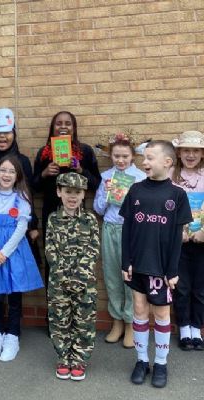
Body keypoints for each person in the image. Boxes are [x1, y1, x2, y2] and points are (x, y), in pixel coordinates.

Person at [120, 140, 192, 388]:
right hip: (138, 264)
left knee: (161, 313)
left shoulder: (177, 195)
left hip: (161, 268)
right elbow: (127, 228)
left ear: (167, 162)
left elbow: (177, 237)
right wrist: (125, 261)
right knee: (139, 310)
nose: (145, 162)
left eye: (150, 158)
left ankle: (160, 363)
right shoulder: (135, 190)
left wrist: (172, 270)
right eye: (144, 157)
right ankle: (142, 360)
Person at [0, 155, 44, 362]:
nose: (6, 175)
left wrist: (5, 252)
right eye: (3, 170)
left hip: (13, 252)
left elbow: (21, 228)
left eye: (11, 171)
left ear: (17, 176)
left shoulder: (22, 197)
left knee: (14, 295)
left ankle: (13, 336)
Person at [33, 111, 101, 283]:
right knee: (52, 261)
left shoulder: (85, 151)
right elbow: (34, 187)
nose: (63, 127)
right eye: (59, 123)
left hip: (77, 215)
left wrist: (80, 170)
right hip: (51, 214)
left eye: (68, 123)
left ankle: (77, 299)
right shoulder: (44, 153)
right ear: (52, 128)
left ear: (74, 128)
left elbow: (96, 184)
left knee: (79, 260)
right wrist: (44, 173)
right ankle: (53, 300)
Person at [93, 133, 146, 348]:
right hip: (110, 229)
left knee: (130, 276)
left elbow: (146, 209)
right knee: (112, 275)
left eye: (125, 156)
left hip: (132, 231)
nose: (121, 160)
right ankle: (117, 322)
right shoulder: (106, 176)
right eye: (117, 156)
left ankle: (131, 323)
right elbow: (98, 209)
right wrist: (106, 194)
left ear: (133, 156)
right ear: (111, 156)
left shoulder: (140, 177)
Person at [46, 172, 99, 381]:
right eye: (68, 191)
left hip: (85, 281)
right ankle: (63, 357)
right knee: (60, 320)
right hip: (59, 281)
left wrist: (79, 276)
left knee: (84, 320)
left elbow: (93, 249)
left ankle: (79, 359)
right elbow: (50, 249)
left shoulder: (90, 219)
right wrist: (63, 276)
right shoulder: (53, 218)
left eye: (77, 192)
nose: (72, 196)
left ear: (83, 194)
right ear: (59, 192)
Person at [0, 108, 40, 262]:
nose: (2, 136)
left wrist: (33, 226)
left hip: (18, 227)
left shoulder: (23, 161)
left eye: (7, 132)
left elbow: (29, 193)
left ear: (14, 134)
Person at [170, 130, 204, 351]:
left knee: (200, 288)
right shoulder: (171, 176)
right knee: (181, 287)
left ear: (202, 154)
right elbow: (166, 207)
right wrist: (177, 231)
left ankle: (196, 329)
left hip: (202, 240)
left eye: (196, 151)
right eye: (186, 150)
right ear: (179, 152)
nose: (191, 155)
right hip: (179, 242)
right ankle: (183, 329)